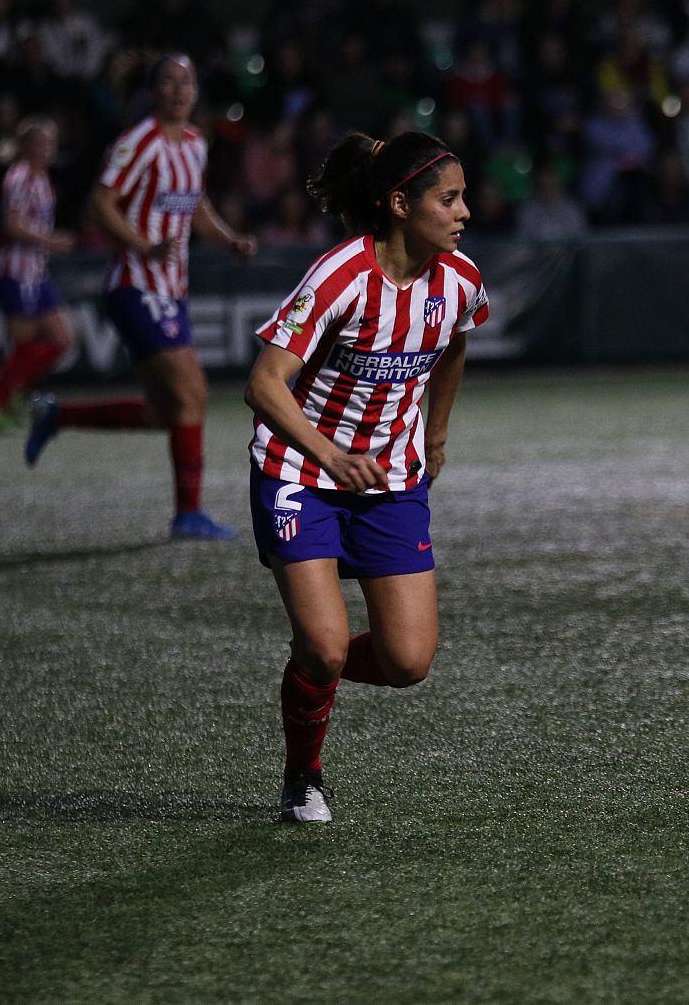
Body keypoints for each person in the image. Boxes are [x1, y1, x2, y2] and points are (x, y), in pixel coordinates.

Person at [244, 131, 487, 823]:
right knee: (325, 642)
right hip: (299, 469)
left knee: (408, 660)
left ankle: (310, 673)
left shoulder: (459, 280)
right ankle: (303, 774)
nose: (464, 211)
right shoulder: (341, 276)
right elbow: (263, 385)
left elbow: (457, 340)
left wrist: (435, 433)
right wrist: (328, 453)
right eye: (449, 198)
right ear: (401, 204)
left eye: (464, 196)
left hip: (390, 480)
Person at [25, 53, 256, 540]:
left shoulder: (194, 143)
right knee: (193, 394)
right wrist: (142, 245)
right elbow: (99, 204)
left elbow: (195, 207)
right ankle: (188, 514)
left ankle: (56, 415)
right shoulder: (138, 143)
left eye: (185, 81)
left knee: (166, 412)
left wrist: (228, 237)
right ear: (153, 92)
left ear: (195, 91)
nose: (177, 90)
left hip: (170, 293)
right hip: (137, 286)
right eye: (167, 82)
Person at [0, 115, 76, 432]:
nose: (48, 148)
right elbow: (11, 224)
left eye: (52, 142)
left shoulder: (42, 179)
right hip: (15, 271)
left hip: (36, 272)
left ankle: (11, 391)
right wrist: (52, 241)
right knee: (22, 346)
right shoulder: (19, 177)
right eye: (41, 141)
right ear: (25, 146)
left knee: (63, 340)